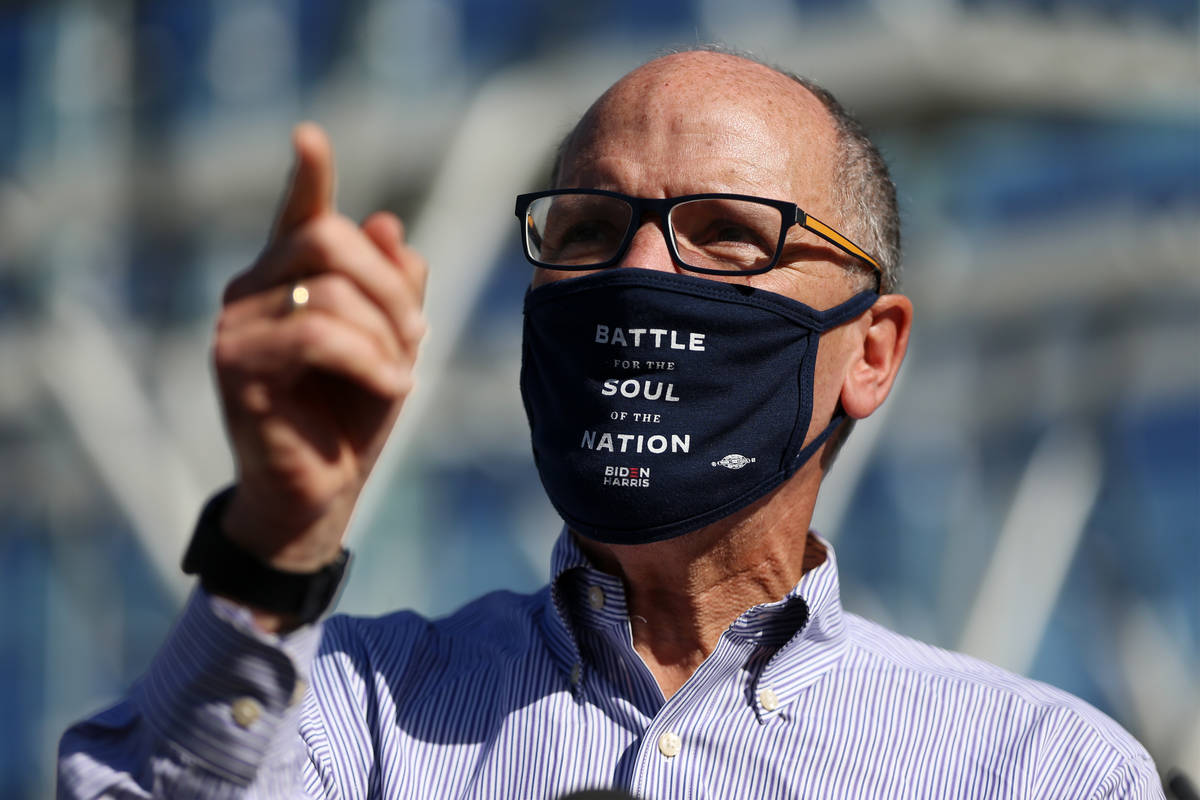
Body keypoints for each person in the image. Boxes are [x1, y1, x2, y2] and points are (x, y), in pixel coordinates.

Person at [58, 50, 1162, 798]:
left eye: (728, 233)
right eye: (587, 227)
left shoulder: (1035, 766)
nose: (638, 273)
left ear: (869, 350)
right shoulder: (351, 711)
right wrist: (273, 543)